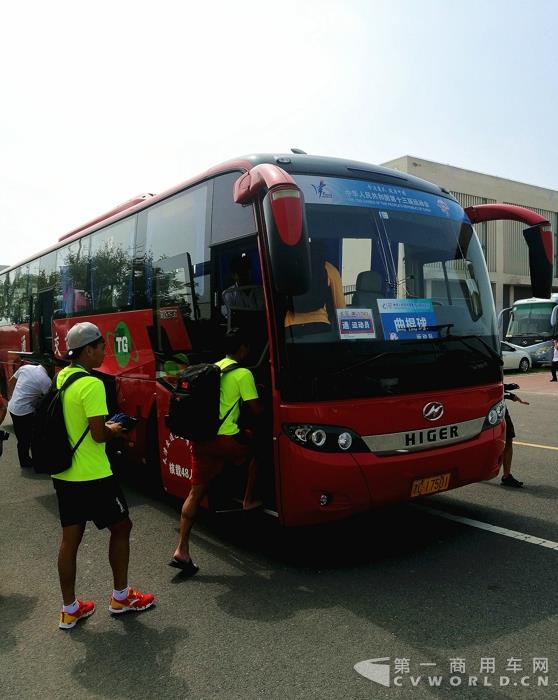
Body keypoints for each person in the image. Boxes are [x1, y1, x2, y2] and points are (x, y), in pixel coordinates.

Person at [53, 321, 155, 629]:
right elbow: (98, 434)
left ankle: (70, 609)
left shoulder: (63, 377)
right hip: (94, 474)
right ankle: (121, 597)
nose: (104, 352)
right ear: (87, 350)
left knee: (70, 539)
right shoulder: (92, 383)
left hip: (65, 473)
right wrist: (117, 427)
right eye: (100, 347)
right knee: (122, 527)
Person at [170, 328, 263, 575]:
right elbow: (256, 410)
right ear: (242, 348)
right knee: (257, 451)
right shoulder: (243, 373)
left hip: (203, 440)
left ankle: (182, 549)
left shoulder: (211, 368)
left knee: (195, 492)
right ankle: (248, 499)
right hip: (227, 441)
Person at [284, 243, 345, 334]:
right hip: (321, 327)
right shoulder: (329, 269)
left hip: (291, 328)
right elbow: (341, 308)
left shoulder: (286, 268)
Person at [8, 361, 52, 468]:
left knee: (21, 437)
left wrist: (13, 396)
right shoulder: (45, 380)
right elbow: (49, 400)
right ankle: (30, 462)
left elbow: (11, 381)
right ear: (50, 368)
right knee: (30, 437)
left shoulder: (25, 368)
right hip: (25, 412)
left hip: (12, 407)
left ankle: (24, 460)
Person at [501, 382, 529, 488]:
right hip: (488, 409)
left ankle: (507, 476)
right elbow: (489, 388)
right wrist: (510, 394)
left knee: (508, 439)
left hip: (500, 409)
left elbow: (497, 387)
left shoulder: (494, 368)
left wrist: (509, 393)